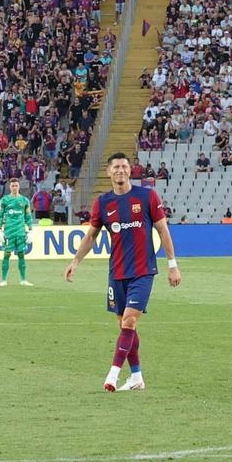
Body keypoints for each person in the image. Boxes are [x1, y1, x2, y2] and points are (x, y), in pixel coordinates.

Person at [65, 152, 182, 392]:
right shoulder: (103, 203)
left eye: (124, 166)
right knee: (125, 327)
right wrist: (76, 261)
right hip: (116, 272)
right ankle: (137, 377)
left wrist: (172, 265)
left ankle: (113, 375)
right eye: (116, 167)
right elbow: (91, 236)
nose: (121, 170)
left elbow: (163, 231)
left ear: (131, 170)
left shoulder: (147, 196)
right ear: (109, 172)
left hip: (143, 271)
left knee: (129, 321)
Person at [0, 177, 36, 287]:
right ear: (10, 187)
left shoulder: (24, 201)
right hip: (9, 231)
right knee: (6, 255)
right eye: (13, 185)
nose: (14, 187)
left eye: (16, 186)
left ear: (19, 187)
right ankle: (3, 280)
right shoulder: (4, 200)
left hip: (21, 232)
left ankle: (23, 280)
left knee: (21, 254)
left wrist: (30, 231)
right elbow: (0, 216)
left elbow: (28, 217)